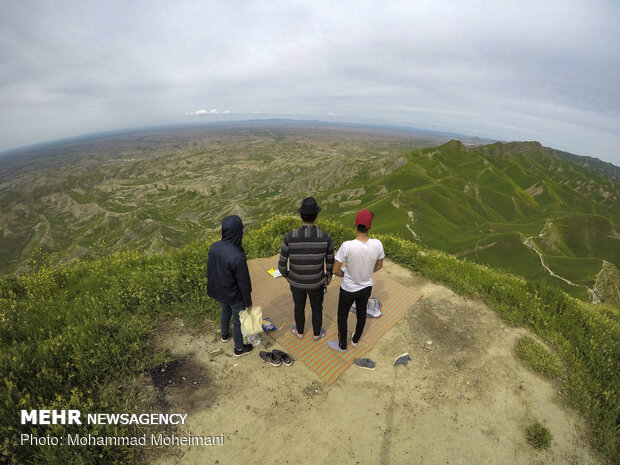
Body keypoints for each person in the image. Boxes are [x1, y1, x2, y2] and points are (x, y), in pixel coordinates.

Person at [278, 197, 334, 340]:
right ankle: (316, 334)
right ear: (316, 216)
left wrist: (288, 275)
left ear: (300, 215)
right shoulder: (326, 237)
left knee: (299, 307)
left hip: (296, 282)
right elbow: (330, 261)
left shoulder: (289, 237)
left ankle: (300, 332)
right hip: (317, 282)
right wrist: (328, 277)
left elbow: (282, 263)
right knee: (317, 308)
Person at [328, 209, 384, 352]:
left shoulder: (347, 246)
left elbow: (335, 270)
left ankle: (342, 345)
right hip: (366, 287)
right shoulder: (377, 244)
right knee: (361, 313)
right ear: (370, 226)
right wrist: (365, 272)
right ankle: (355, 339)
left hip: (348, 288)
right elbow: (379, 265)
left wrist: (344, 274)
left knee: (342, 315)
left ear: (355, 223)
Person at [207, 215, 254, 356]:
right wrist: (247, 301)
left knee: (225, 311)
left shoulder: (214, 246)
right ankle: (239, 348)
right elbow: (244, 282)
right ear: (238, 232)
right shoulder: (237, 255)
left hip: (219, 290)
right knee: (238, 319)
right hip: (233, 294)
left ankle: (224, 335)